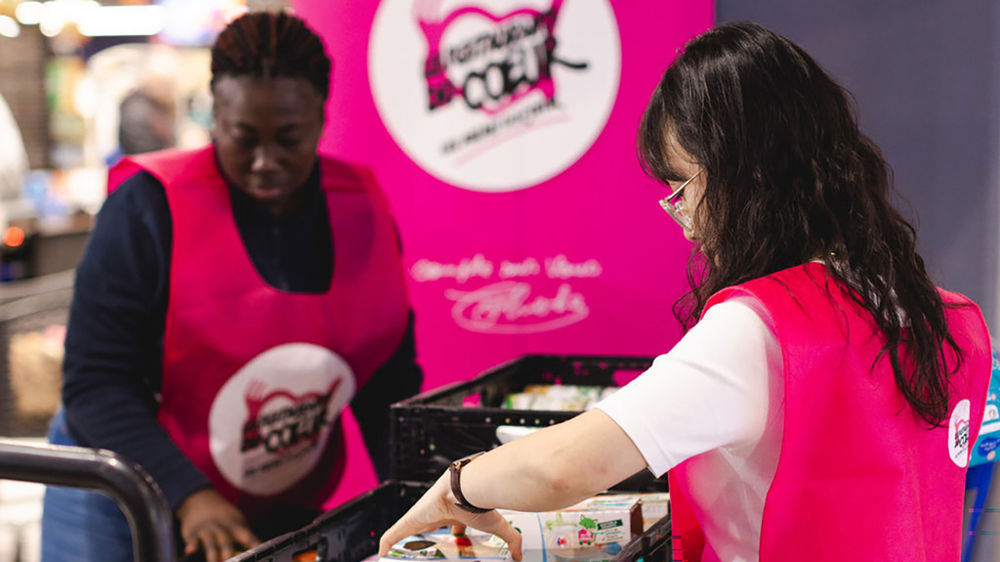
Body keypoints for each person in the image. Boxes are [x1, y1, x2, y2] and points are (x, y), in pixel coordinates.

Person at [378, 22, 993, 562]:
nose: (686, 222)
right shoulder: (947, 317)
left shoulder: (763, 328)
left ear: (744, 174)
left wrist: (457, 487)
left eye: (681, 187)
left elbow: (563, 467)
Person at [41, 11, 422, 562]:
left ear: (321, 116)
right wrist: (189, 495)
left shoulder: (360, 210)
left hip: (273, 485)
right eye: (242, 138)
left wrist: (415, 497)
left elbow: (387, 377)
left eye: (289, 139)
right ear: (215, 114)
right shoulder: (147, 208)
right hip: (124, 485)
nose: (265, 162)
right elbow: (95, 383)